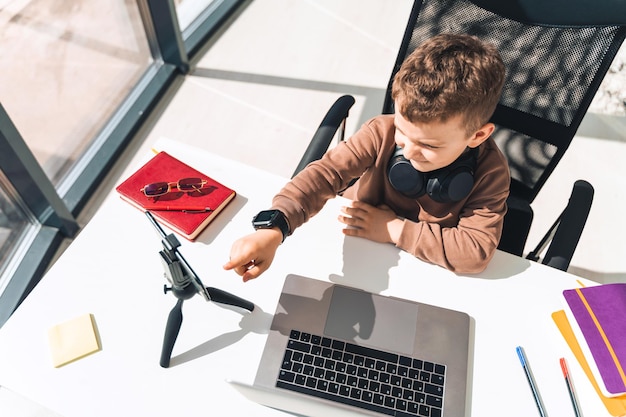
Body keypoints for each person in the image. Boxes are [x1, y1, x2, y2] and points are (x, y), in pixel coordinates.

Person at [224, 33, 510, 281]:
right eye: (402, 130)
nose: (408, 152)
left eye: (429, 146)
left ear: (478, 136)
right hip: (354, 242)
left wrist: (393, 229)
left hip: (425, 269)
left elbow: (474, 252)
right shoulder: (380, 131)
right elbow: (324, 175)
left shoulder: (491, 173)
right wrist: (274, 228)